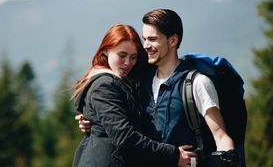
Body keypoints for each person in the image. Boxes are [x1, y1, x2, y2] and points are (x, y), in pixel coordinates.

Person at [77, 9, 241, 166]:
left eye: (152, 39)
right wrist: (94, 121)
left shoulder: (197, 83)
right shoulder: (139, 82)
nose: (146, 45)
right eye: (145, 39)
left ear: (172, 40)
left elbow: (221, 137)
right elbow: (121, 124)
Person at [71, 23, 196, 167]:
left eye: (133, 57)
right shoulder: (105, 86)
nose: (127, 63)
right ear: (105, 51)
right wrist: (174, 155)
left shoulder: (124, 82)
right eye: (122, 55)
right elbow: (125, 137)